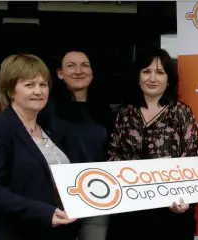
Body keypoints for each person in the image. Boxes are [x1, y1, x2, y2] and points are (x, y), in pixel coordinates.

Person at [0, 54, 78, 240]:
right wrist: (45, 212)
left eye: (43, 84)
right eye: (29, 85)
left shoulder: (49, 132)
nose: (38, 91)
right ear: (10, 91)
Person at [105, 48, 198, 239]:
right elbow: (112, 155)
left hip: (170, 210)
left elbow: (192, 159)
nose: (152, 78)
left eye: (160, 72)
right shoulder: (124, 113)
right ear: (138, 77)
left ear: (169, 79)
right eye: (146, 71)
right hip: (130, 209)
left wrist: (185, 200)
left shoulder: (181, 113)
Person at [38, 49, 113, 240]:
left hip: (98, 195)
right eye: (70, 66)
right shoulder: (45, 109)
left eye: (84, 65)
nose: (78, 71)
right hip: (57, 197)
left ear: (92, 73)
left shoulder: (104, 110)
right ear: (59, 73)